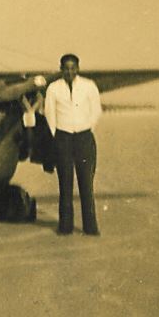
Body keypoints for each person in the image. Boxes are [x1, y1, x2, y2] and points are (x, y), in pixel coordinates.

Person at [43, 53, 103, 236]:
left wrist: (86, 129)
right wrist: (58, 134)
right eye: (66, 68)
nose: (69, 71)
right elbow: (49, 113)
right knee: (65, 184)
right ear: (61, 69)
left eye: (72, 68)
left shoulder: (88, 86)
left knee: (86, 183)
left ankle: (90, 227)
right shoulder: (53, 88)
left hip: (84, 138)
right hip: (63, 138)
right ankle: (65, 226)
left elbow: (96, 110)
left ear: (78, 68)